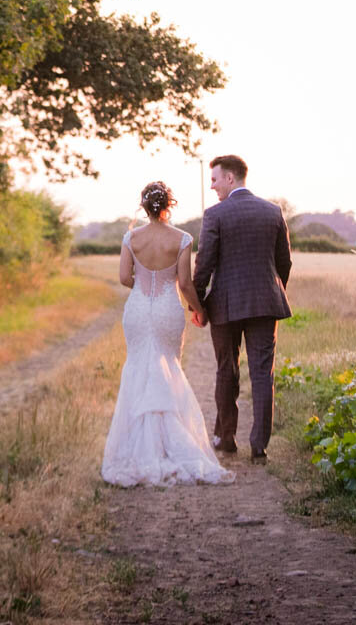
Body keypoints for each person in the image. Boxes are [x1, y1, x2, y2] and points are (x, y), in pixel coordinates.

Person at [101, 181, 235, 487]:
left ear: (144, 206)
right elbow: (186, 283)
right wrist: (199, 309)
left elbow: (124, 277)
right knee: (168, 369)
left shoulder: (131, 237)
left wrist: (142, 283)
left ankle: (141, 447)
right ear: (168, 205)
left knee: (138, 368)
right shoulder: (183, 238)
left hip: (137, 310)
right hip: (167, 309)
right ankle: (167, 444)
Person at [192, 155, 292, 465]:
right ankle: (259, 446)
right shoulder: (273, 212)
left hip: (225, 304)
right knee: (263, 374)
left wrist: (198, 304)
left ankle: (227, 437)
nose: (212, 186)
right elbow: (284, 261)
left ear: (231, 179)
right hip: (265, 302)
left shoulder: (215, 215)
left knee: (227, 368)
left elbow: (204, 263)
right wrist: (271, 290)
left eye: (215, 179)